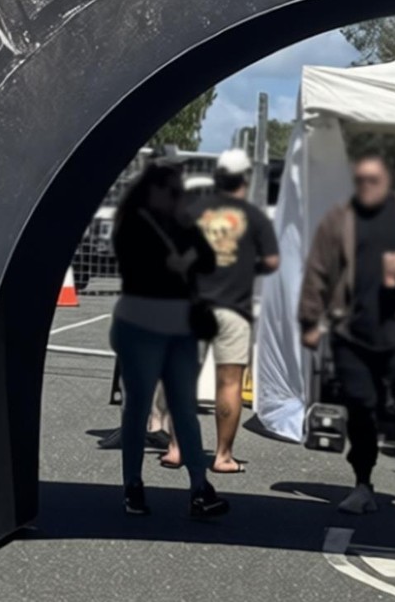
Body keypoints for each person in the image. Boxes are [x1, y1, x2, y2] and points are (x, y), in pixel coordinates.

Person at [299, 153, 395, 514]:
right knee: (360, 407)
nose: (366, 186)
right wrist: (309, 320)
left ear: (387, 181)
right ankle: (362, 484)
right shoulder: (339, 219)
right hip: (352, 331)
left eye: (373, 180)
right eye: (360, 180)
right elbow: (317, 269)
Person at [109, 161, 228, 519]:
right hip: (142, 324)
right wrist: (175, 263)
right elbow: (138, 271)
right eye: (173, 192)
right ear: (154, 191)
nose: (179, 199)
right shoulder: (134, 224)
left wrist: (186, 253)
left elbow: (209, 261)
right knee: (138, 407)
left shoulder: (181, 225)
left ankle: (199, 487)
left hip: (179, 325)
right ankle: (133, 484)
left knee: (184, 408)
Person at [160, 150, 278, 474]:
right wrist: (247, 267)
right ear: (244, 179)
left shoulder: (194, 212)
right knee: (229, 383)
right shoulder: (254, 217)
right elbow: (272, 261)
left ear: (218, 178)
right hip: (233, 309)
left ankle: (176, 448)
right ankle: (223, 456)